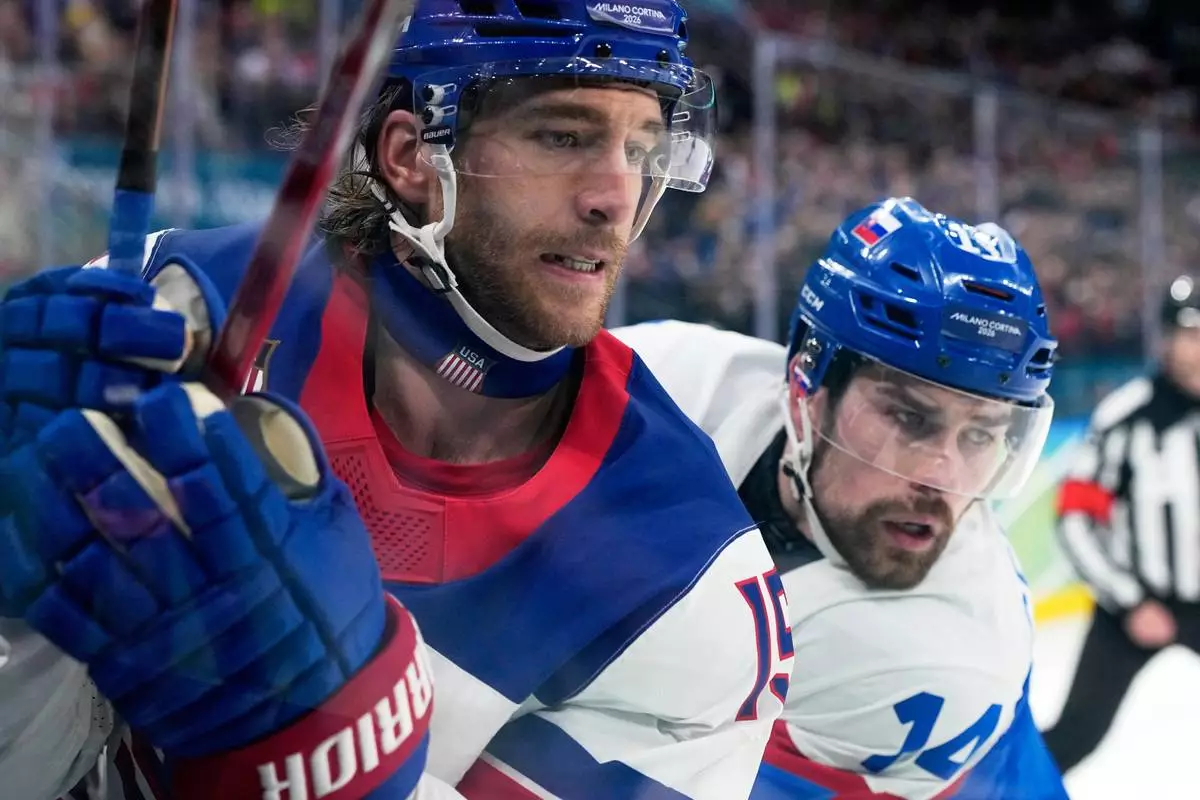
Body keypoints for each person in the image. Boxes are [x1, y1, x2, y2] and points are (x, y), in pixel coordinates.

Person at [0, 1, 786, 798]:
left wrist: (336, 753)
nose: (615, 197)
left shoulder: (689, 573)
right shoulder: (168, 308)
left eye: (642, 148)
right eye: (564, 137)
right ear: (412, 155)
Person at [615, 197, 1068, 799]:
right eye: (909, 417)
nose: (943, 475)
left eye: (981, 434)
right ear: (808, 384)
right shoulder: (664, 383)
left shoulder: (939, 657)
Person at [1043, 274, 1200, 774]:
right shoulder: (1125, 418)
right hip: (1136, 607)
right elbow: (1074, 518)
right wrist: (1130, 601)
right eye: (1189, 336)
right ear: (1168, 340)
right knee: (1073, 737)